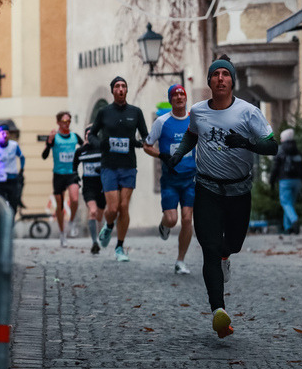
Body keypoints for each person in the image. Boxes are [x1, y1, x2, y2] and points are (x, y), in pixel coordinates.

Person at [162, 55, 277, 339]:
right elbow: (192, 135)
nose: (221, 78)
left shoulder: (248, 112)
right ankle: (219, 312)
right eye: (216, 74)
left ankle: (228, 254)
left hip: (239, 190)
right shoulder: (199, 111)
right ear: (210, 81)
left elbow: (272, 146)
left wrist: (247, 143)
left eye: (226, 74)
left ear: (232, 81)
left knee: (233, 244)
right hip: (207, 189)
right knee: (209, 249)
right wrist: (178, 155)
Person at [89, 76, 148, 261]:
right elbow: (91, 134)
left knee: (124, 206)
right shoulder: (104, 112)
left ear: (127, 90)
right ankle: (108, 226)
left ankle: (120, 247)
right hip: (109, 166)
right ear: (113, 90)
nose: (121, 89)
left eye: (123, 86)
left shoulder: (136, 112)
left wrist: (139, 143)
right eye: (117, 86)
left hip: (129, 166)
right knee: (113, 208)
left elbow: (146, 137)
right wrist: (100, 145)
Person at [144, 83, 196, 275]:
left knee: (187, 218)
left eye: (182, 94)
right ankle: (164, 225)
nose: (179, 98)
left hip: (190, 178)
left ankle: (180, 260)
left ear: (186, 98)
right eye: (175, 95)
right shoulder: (162, 122)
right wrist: (161, 156)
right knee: (172, 219)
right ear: (170, 99)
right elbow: (147, 145)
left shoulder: (194, 120)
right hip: (170, 179)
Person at [42, 111, 83, 246]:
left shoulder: (75, 137)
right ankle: (62, 234)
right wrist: (48, 142)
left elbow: (85, 147)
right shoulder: (55, 137)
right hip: (58, 174)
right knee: (59, 205)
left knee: (75, 199)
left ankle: (71, 222)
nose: (67, 124)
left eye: (69, 121)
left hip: (72, 173)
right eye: (64, 121)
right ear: (58, 122)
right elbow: (44, 155)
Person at [73, 126, 106, 255]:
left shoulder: (102, 148)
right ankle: (94, 242)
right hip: (89, 186)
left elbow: (109, 162)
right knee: (92, 211)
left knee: (99, 215)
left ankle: (100, 235)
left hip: (103, 185)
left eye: (91, 134)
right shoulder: (81, 151)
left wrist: (102, 168)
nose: (89, 137)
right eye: (86, 134)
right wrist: (76, 177)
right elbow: (74, 165)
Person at [269, 127, 302, 234]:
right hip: (298, 181)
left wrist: (271, 181)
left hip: (285, 181)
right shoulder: (298, 152)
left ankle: (294, 220)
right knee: (290, 204)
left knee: (286, 203)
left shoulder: (280, 151)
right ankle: (288, 228)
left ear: (283, 139)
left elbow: (275, 168)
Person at [0, 123, 25, 216]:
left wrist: (21, 170)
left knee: (13, 204)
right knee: (1, 203)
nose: (5, 135)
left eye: (7, 133)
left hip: (12, 178)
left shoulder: (14, 145)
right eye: (3, 133)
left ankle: (10, 224)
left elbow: (22, 157)